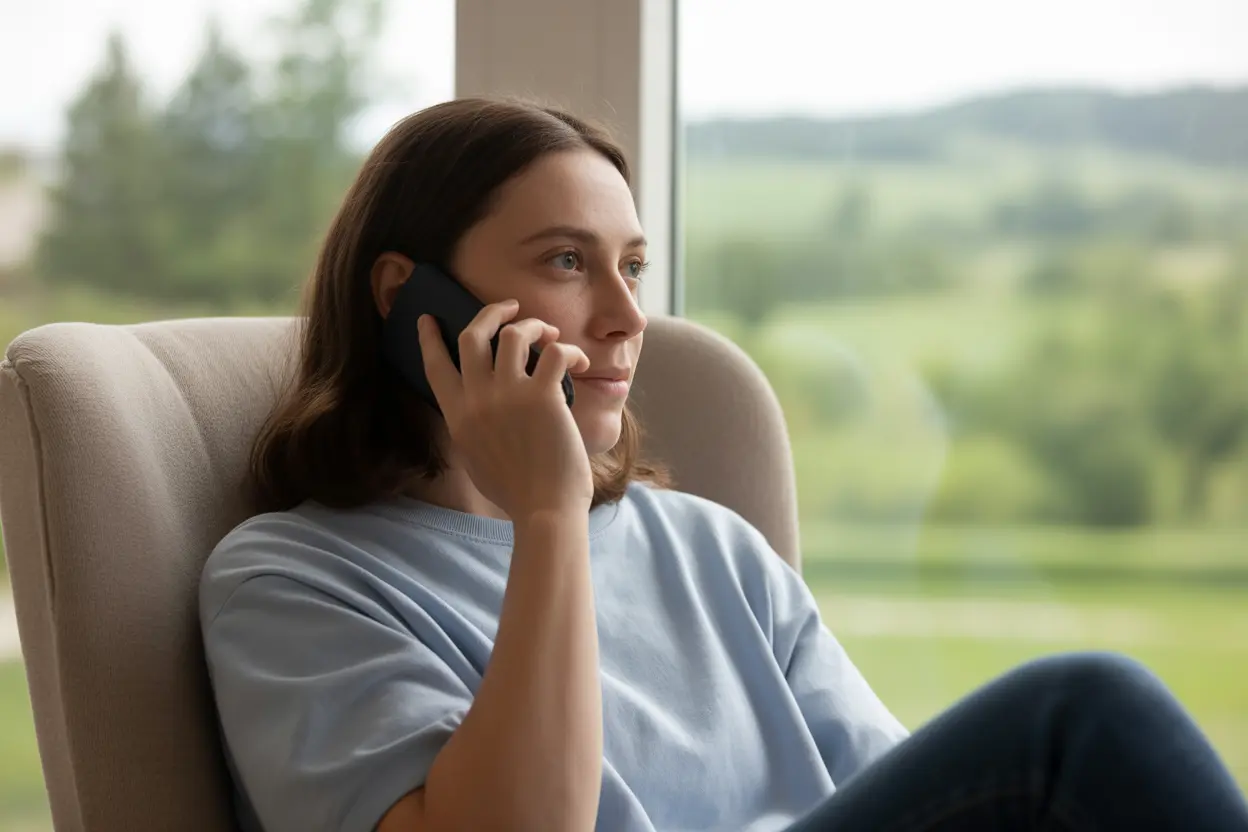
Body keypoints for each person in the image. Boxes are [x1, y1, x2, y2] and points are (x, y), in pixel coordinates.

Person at [199, 97, 1248, 832]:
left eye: (635, 266)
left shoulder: (706, 546)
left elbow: (910, 795)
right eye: (568, 261)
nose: (624, 316)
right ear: (408, 298)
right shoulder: (288, 579)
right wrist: (550, 514)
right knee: (1080, 718)